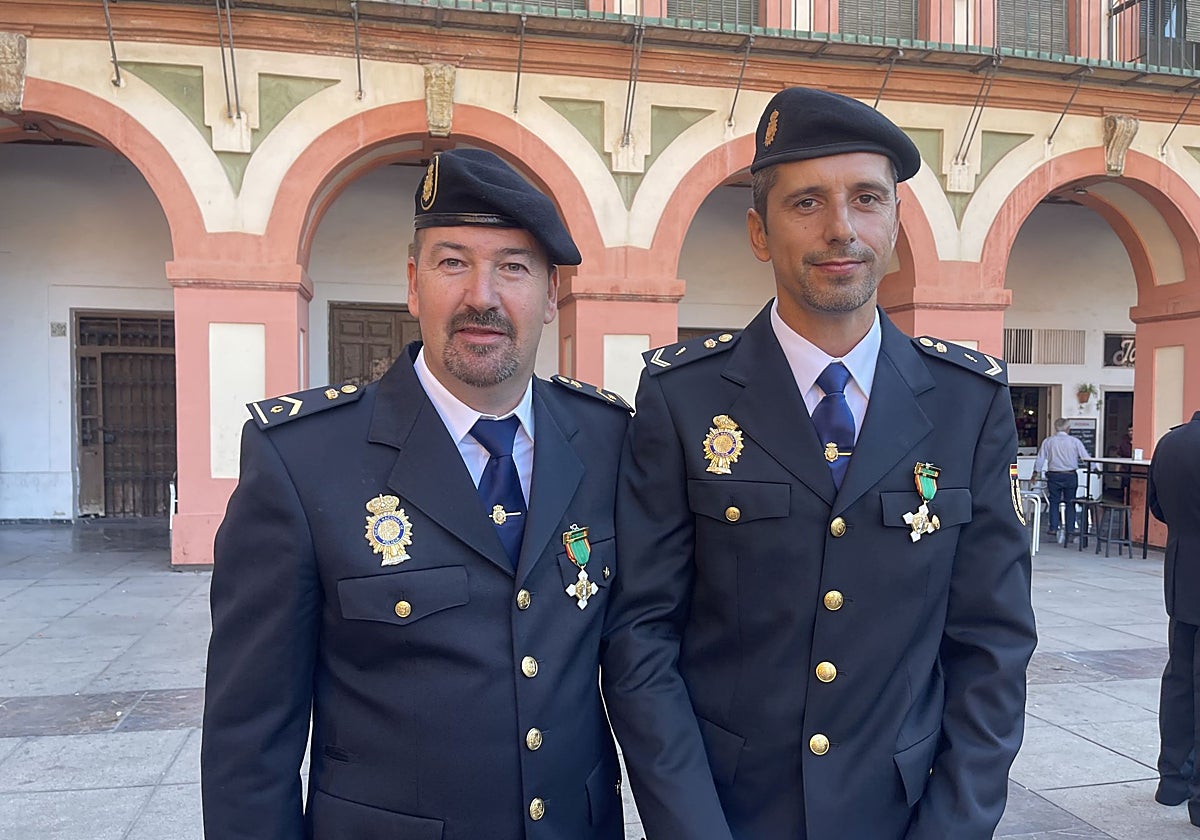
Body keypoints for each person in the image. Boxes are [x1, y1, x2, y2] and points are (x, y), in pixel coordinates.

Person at [602, 87, 1037, 839]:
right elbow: (642, 637)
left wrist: (951, 827)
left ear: (896, 226)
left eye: (867, 200)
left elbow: (992, 644)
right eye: (806, 203)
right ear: (758, 232)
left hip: (902, 813)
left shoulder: (968, 402)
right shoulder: (683, 397)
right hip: (732, 814)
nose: (842, 230)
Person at [201, 148, 632, 840]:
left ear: (553, 296)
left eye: (514, 267)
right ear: (413, 283)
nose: (482, 296)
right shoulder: (302, 460)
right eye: (452, 262)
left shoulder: (607, 440)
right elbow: (248, 740)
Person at [1148, 410, 1200, 827]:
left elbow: (1158, 508)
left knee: (1180, 681)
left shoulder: (1171, 442)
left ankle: (1173, 782)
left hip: (1183, 577)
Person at [1033, 418, 1090, 542]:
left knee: (1054, 501)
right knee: (1071, 502)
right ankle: (1070, 528)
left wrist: (1035, 473)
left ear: (1055, 428)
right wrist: (1095, 469)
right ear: (1068, 428)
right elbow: (1085, 457)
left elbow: (1040, 458)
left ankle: (1053, 527)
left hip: (1054, 475)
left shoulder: (1048, 441)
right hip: (1070, 475)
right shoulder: (1075, 441)